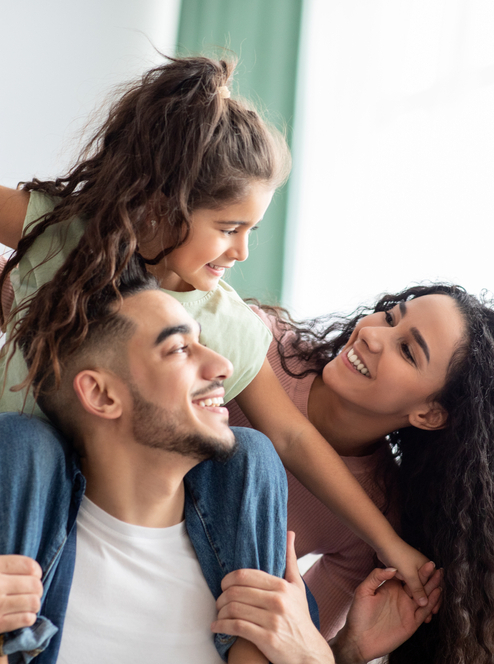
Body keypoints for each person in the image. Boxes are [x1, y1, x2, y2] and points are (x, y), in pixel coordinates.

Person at [0, 55, 433, 601]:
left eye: (253, 229)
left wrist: (390, 544)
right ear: (162, 207)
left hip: (121, 519)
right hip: (17, 488)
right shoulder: (64, 236)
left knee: (251, 451)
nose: (243, 250)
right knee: (28, 443)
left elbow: (293, 438)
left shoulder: (228, 326)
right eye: (230, 228)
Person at [0, 265, 442, 664]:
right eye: (179, 348)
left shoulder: (266, 564)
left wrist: (336, 654)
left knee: (253, 455)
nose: (227, 365)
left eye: (408, 350)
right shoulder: (25, 517)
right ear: (101, 394)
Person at [228, 284, 494, 663]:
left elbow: (287, 644)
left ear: (429, 414)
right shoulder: (255, 338)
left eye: (407, 350)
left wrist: (350, 649)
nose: (371, 334)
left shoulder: (378, 516)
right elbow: (290, 437)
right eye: (390, 316)